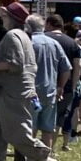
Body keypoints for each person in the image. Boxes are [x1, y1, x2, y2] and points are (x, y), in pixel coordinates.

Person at [0, 2, 61, 161]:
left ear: (11, 18)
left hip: (12, 93)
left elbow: (15, 65)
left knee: (17, 134)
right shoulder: (24, 35)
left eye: (5, 15)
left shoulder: (12, 35)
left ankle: (48, 160)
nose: (2, 18)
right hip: (4, 92)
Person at [25, 15, 72, 148]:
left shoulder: (28, 42)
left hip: (31, 91)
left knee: (31, 126)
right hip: (50, 91)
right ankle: (47, 157)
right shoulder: (54, 43)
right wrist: (60, 87)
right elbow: (67, 69)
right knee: (47, 129)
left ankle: (30, 157)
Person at [53, 19, 81, 147]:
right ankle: (67, 142)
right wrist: (74, 85)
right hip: (72, 83)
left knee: (52, 115)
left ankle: (49, 146)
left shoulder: (53, 42)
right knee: (68, 113)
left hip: (53, 82)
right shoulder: (76, 45)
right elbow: (79, 65)